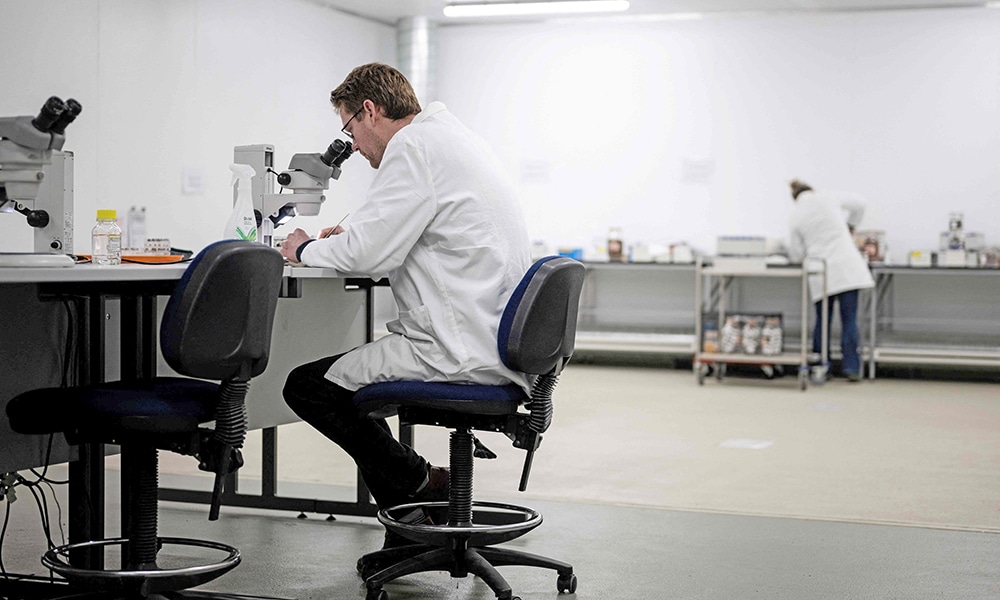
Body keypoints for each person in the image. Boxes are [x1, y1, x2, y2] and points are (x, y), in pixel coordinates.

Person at [278, 63, 531, 541]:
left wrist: (303, 248)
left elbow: (370, 255)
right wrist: (353, 237)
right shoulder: (453, 139)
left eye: (349, 127)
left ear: (369, 111)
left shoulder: (411, 147)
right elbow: (410, 233)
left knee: (308, 387)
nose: (351, 144)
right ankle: (414, 513)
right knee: (338, 382)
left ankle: (419, 488)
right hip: (493, 340)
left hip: (455, 348)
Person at [787, 179, 874, 382]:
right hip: (846, 267)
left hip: (820, 271)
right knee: (849, 319)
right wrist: (851, 225)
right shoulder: (827, 197)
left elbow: (796, 254)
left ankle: (821, 366)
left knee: (822, 321)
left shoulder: (795, 216)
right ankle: (852, 368)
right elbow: (860, 202)